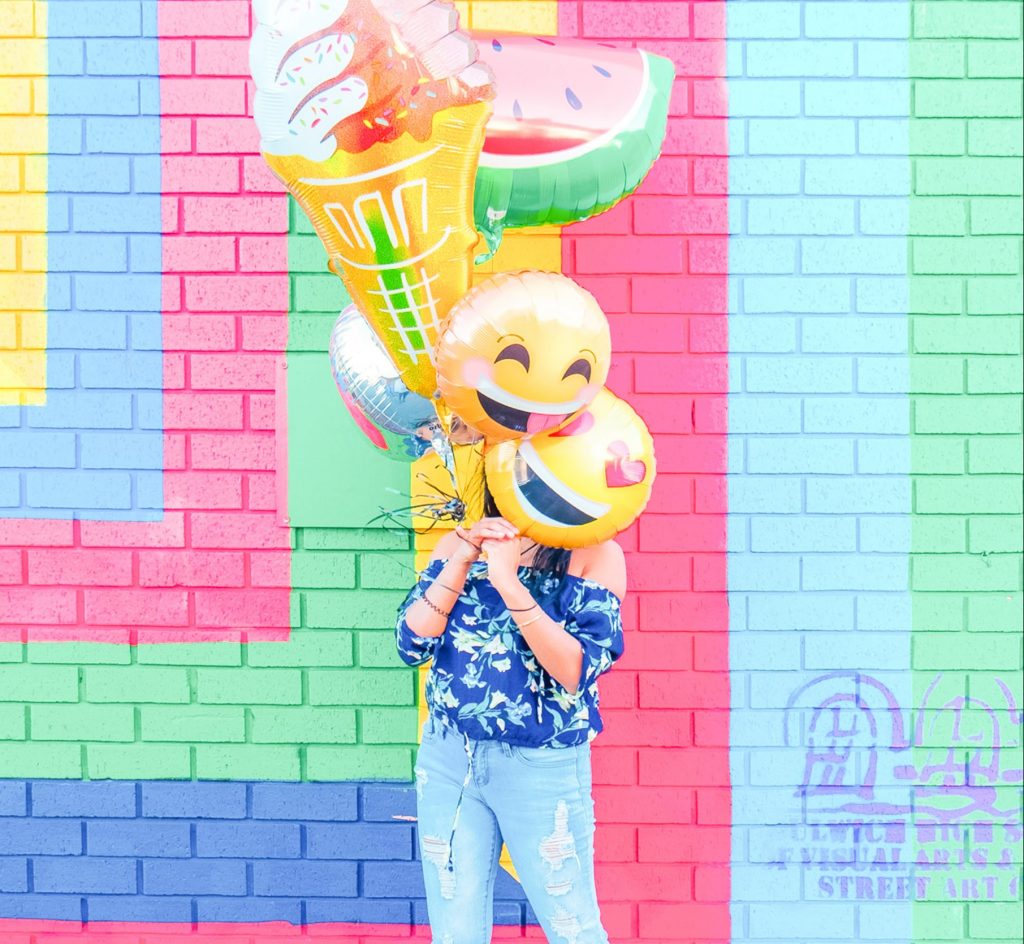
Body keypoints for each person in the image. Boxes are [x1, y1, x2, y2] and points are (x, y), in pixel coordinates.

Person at [394, 484, 626, 944]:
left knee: (571, 926)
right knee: (455, 929)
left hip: (541, 766)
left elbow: (575, 671)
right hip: (449, 758)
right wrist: (462, 558)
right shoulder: (458, 546)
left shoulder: (593, 554)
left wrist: (508, 581)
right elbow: (411, 645)